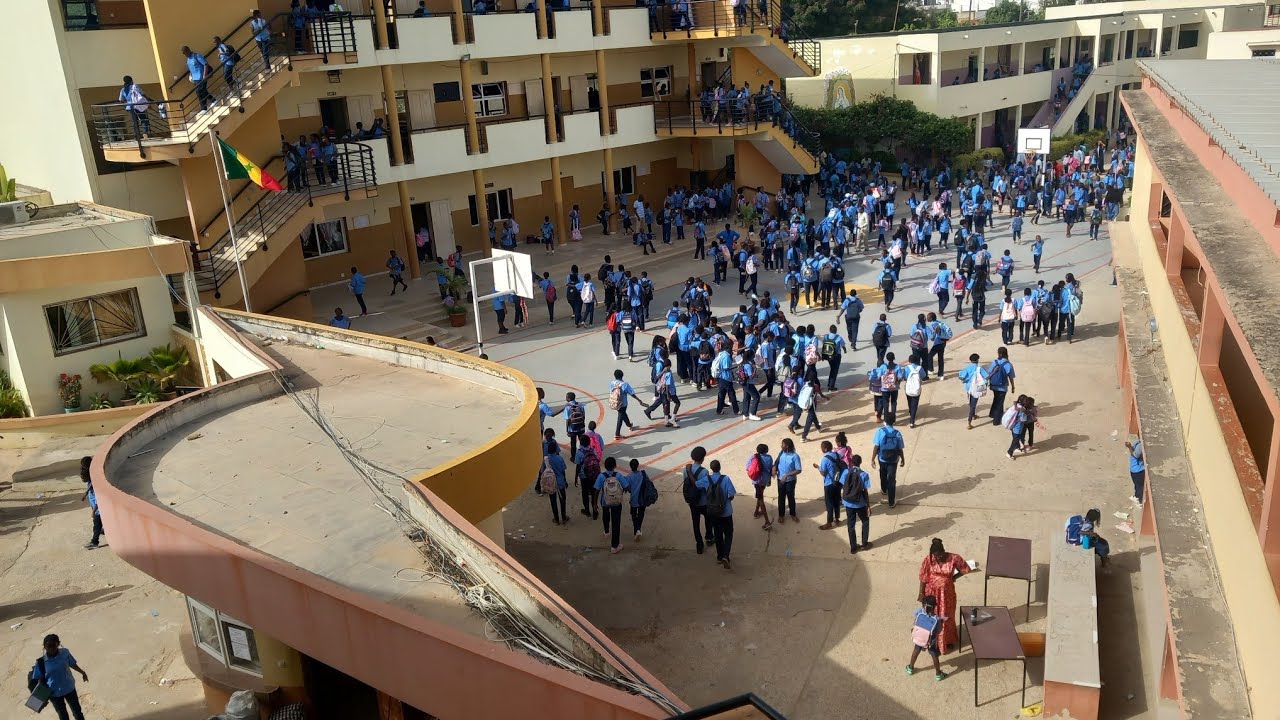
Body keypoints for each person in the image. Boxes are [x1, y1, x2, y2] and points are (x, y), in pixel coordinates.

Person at [917, 538, 972, 654]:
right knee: (932, 616)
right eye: (936, 556)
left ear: (944, 551)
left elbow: (965, 568)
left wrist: (952, 578)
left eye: (940, 555)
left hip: (947, 595)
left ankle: (947, 640)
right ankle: (932, 640)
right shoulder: (929, 559)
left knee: (947, 617)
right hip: (932, 594)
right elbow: (923, 577)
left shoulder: (954, 558)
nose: (938, 558)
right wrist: (921, 593)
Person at [29, 634, 89, 720]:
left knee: (78, 713)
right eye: (48, 646)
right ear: (44, 647)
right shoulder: (41, 662)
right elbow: (38, 679)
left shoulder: (65, 652)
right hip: (54, 694)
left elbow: (72, 664)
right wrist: (40, 698)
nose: (51, 648)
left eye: (53, 645)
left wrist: (82, 672)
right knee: (63, 716)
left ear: (58, 644)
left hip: (69, 689)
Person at [682, 446, 715, 554]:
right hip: (703, 501)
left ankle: (699, 544)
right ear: (702, 458)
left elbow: (686, 483)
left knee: (695, 523)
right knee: (708, 520)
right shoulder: (704, 472)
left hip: (692, 501)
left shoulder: (686, 469)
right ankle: (709, 538)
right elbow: (705, 487)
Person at [905, 596, 946, 681]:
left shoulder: (919, 612)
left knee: (916, 650)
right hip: (931, 641)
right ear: (935, 606)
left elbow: (915, 619)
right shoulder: (937, 619)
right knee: (934, 655)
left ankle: (910, 668)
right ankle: (938, 674)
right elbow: (939, 630)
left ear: (923, 605)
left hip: (919, 637)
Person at [706, 459, 737, 569]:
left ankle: (719, 556)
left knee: (718, 534)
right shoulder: (726, 479)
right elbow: (731, 495)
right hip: (726, 512)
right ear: (720, 468)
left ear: (711, 468)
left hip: (713, 513)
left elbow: (697, 485)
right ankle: (726, 556)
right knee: (728, 534)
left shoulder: (707, 479)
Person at [871, 414, 906, 507]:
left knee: (882, 473)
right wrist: (903, 459)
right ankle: (891, 502)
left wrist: (873, 458)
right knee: (891, 479)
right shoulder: (897, 433)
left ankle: (884, 489)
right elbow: (900, 449)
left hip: (882, 458)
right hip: (893, 460)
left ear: (885, 421)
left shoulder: (880, 431)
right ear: (894, 421)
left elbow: (876, 447)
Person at [595, 456, 628, 553]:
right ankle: (615, 546)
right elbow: (626, 486)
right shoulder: (618, 475)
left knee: (605, 515)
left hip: (605, 501)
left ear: (605, 466)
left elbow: (596, 490)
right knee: (616, 523)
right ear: (615, 466)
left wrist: (594, 503)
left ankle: (606, 531)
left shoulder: (601, 476)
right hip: (616, 502)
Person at [842, 454, 872, 553]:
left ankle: (853, 547)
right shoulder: (864, 475)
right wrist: (868, 506)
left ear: (851, 462)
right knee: (865, 521)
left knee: (851, 525)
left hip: (848, 503)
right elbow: (865, 491)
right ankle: (864, 544)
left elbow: (843, 484)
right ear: (860, 462)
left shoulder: (846, 472)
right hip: (860, 503)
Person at [539, 430, 569, 525]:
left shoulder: (546, 460)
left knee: (553, 501)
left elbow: (543, 471)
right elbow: (563, 471)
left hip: (550, 482)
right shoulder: (559, 458)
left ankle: (556, 519)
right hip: (560, 482)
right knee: (562, 500)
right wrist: (565, 481)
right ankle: (564, 517)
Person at [608, 369, 642, 440]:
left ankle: (629, 425)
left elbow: (611, 391)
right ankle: (617, 434)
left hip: (615, 402)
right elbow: (631, 393)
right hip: (623, 403)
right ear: (622, 376)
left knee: (623, 414)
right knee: (620, 417)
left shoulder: (612, 383)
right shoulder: (625, 384)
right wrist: (639, 400)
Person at [986, 346, 1016, 426]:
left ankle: (993, 414)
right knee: (1000, 403)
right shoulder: (1008, 364)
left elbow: (989, 372)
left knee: (996, 399)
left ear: (999, 354)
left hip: (994, 385)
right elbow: (1011, 377)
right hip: (1003, 387)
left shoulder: (994, 362)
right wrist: (1013, 387)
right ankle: (996, 421)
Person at [958, 353, 988, 430]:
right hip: (976, 388)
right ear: (978, 360)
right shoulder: (979, 369)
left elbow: (961, 377)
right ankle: (969, 422)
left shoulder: (967, 368)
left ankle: (974, 415)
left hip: (968, 388)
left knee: (971, 402)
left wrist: (966, 380)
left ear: (970, 360)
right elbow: (987, 376)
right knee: (973, 405)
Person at [79, 457, 104, 549]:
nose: (82, 480)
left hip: (98, 509)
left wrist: (93, 511)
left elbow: (98, 499)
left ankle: (94, 542)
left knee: (96, 524)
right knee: (100, 522)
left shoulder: (95, 484)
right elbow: (89, 486)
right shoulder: (91, 480)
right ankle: (103, 530)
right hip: (95, 508)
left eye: (83, 478)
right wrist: (85, 494)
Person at [747, 443, 774, 530]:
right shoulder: (769, 458)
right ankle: (758, 514)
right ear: (766, 451)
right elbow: (770, 469)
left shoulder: (753, 457)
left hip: (757, 481)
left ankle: (766, 521)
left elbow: (747, 467)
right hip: (764, 481)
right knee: (760, 497)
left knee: (760, 498)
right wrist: (769, 480)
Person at [774, 437, 800, 524]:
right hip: (780, 480)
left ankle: (793, 514)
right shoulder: (781, 453)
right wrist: (774, 468)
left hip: (790, 481)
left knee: (791, 497)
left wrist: (786, 475)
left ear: (787, 446)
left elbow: (798, 470)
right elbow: (776, 462)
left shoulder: (795, 456)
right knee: (781, 497)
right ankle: (781, 515)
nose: (781, 446)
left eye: (783, 445)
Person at [178, 46, 212, 112]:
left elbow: (205, 64)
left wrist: (205, 75)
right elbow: (191, 68)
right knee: (199, 93)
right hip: (195, 78)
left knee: (200, 91)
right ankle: (204, 108)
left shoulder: (197, 56)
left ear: (188, 50)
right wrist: (190, 76)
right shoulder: (188, 59)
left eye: (185, 53)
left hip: (201, 77)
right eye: (183, 54)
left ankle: (212, 100)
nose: (185, 55)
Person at [118, 75, 151, 140]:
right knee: (144, 119)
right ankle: (145, 134)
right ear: (131, 80)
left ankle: (136, 136)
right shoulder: (135, 86)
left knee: (134, 121)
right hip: (138, 105)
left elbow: (121, 100)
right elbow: (143, 94)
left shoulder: (123, 89)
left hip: (130, 107)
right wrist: (148, 102)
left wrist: (127, 103)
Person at [626, 459, 652, 539]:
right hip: (642, 498)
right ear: (638, 466)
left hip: (634, 499)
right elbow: (648, 483)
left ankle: (636, 530)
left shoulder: (629, 477)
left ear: (630, 466)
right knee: (641, 514)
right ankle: (638, 529)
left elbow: (628, 488)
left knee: (634, 514)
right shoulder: (643, 474)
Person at [1127, 437, 1146, 507]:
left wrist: (1129, 447)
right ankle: (1138, 499)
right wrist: (1129, 447)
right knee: (1139, 486)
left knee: (1138, 485)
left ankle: (1137, 498)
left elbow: (1135, 454)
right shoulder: (1139, 443)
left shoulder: (1138, 443)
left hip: (1135, 469)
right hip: (1136, 469)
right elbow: (1135, 454)